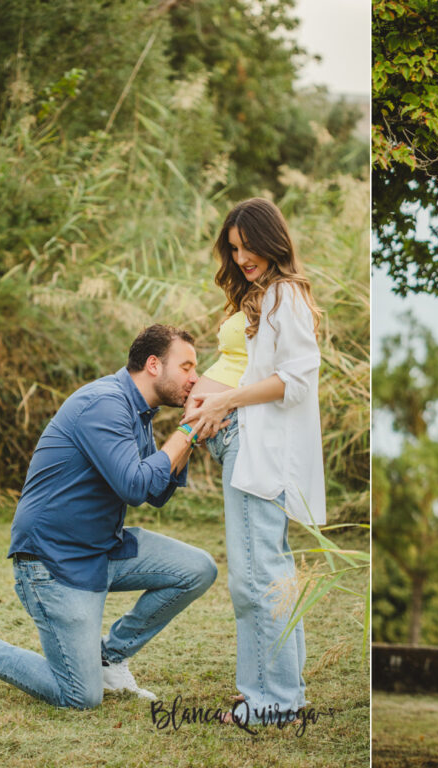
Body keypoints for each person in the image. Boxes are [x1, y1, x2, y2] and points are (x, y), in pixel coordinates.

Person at [0, 325, 219, 708]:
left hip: (103, 548)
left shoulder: (138, 412)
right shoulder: (105, 404)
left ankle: (110, 657)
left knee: (198, 569)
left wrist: (190, 436)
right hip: (53, 560)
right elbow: (135, 487)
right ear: (154, 365)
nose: (195, 378)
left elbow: (156, 493)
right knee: (79, 696)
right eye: (188, 366)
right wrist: (188, 429)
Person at [183, 197, 325, 726]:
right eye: (234, 248)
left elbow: (296, 378)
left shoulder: (285, 294)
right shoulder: (262, 295)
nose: (241, 258)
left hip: (256, 446)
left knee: (256, 575)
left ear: (273, 240)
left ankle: (275, 703)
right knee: (266, 571)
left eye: (248, 246)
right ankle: (272, 690)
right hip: (240, 442)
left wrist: (223, 401)